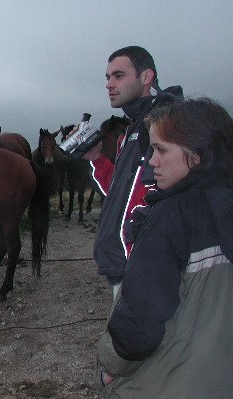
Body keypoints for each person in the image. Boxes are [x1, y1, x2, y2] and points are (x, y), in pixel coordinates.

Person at [96, 97, 233, 398]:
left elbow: (140, 322)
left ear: (196, 154)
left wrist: (110, 365)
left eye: (161, 150)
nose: (151, 161)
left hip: (172, 380)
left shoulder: (170, 217)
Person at [83, 46, 182, 297]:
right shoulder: (132, 130)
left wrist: (135, 248)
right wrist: (95, 158)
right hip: (124, 268)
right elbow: (119, 192)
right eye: (108, 77)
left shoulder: (167, 126)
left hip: (147, 272)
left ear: (146, 76)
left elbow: (173, 200)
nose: (109, 84)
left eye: (118, 75)